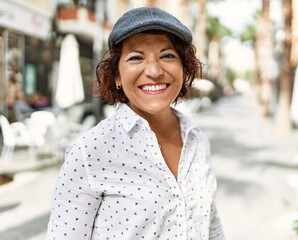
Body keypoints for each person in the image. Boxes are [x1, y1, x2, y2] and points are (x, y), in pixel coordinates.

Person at [46, 7, 224, 240]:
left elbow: (211, 225)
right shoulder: (89, 153)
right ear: (117, 76)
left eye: (167, 55)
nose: (154, 71)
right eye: (136, 57)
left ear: (184, 68)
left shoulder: (197, 140)